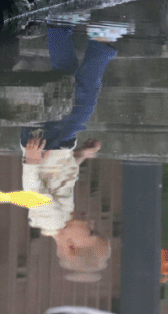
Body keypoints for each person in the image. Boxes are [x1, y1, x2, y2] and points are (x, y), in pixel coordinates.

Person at [19, 22, 121, 280]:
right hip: (57, 146)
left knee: (83, 102)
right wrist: (81, 156)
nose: (93, 224)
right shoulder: (62, 219)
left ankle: (101, 43)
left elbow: (33, 192)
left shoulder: (51, 221)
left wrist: (30, 162)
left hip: (44, 145)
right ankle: (58, 28)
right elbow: (60, 179)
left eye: (92, 232)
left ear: (71, 246)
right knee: (66, 81)